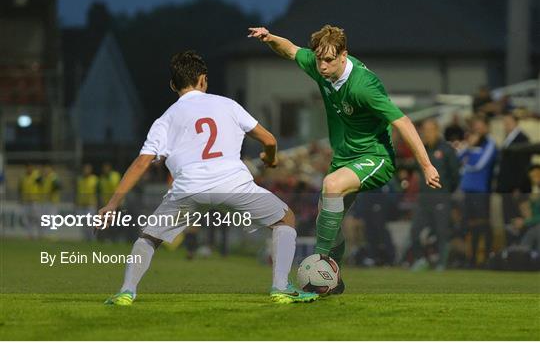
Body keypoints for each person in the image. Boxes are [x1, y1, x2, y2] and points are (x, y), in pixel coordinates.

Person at [100, 51, 318, 305]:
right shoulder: (228, 105)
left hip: (189, 189)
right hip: (234, 185)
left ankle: (126, 291)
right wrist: (270, 158)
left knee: (149, 237)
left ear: (173, 85)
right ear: (203, 80)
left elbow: (141, 163)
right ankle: (280, 287)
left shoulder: (166, 118)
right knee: (285, 218)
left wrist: (112, 204)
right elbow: (269, 139)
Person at [248, 25, 441, 293]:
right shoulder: (319, 65)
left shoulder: (364, 86)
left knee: (331, 185)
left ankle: (318, 264)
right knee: (326, 221)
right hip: (344, 158)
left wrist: (426, 165)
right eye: (319, 59)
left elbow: (404, 122)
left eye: (328, 60)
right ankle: (332, 281)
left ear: (343, 55)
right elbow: (291, 50)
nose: (323, 66)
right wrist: (269, 39)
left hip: (376, 157)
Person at [409, 119, 460, 271]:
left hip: (441, 198)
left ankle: (441, 263)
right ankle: (420, 260)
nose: (426, 133)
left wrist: (445, 192)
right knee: (415, 231)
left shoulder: (447, 150)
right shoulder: (421, 150)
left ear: (437, 130)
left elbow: (455, 176)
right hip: (423, 198)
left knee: (441, 232)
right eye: (424, 130)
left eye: (430, 130)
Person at [458, 114, 498, 267]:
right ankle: (472, 259)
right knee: (471, 225)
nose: (477, 128)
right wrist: (468, 146)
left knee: (483, 225)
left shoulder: (490, 143)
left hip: (481, 191)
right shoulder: (470, 142)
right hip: (467, 189)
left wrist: (466, 165)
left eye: (480, 125)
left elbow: (480, 165)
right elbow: (457, 158)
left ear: (486, 127)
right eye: (476, 125)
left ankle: (487, 258)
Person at [495, 113, 530, 226]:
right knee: (507, 216)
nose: (506, 124)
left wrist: (518, 186)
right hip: (507, 186)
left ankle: (517, 243)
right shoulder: (508, 138)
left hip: (514, 187)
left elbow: (523, 165)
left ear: (515, 122)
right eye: (505, 122)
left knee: (515, 216)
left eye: (508, 122)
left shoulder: (522, 139)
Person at [76, 164, 99, 240]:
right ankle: (85, 238)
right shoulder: (80, 179)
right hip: (81, 204)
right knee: (82, 223)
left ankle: (92, 238)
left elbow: (97, 191)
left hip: (90, 204)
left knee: (90, 223)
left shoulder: (94, 179)